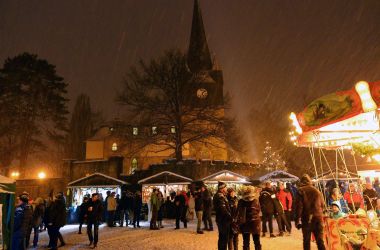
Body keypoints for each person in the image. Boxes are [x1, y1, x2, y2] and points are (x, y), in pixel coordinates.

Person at [295, 174, 326, 250]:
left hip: (307, 218)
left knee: (306, 240)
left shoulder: (300, 191)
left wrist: (297, 220)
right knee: (320, 240)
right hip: (318, 217)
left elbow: (299, 207)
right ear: (309, 181)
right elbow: (323, 205)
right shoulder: (317, 191)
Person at [238, 186, 262, 250]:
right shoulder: (255, 201)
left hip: (245, 223)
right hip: (255, 222)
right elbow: (258, 210)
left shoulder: (241, 201)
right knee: (257, 241)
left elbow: (239, 211)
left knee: (246, 242)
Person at [213, 181, 232, 250]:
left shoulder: (221, 195)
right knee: (224, 238)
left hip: (222, 219)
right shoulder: (219, 196)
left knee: (222, 237)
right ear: (222, 188)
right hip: (223, 220)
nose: (226, 189)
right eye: (225, 187)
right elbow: (223, 209)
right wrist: (230, 217)